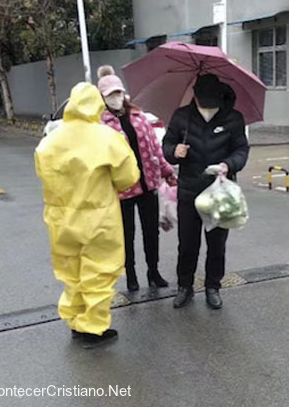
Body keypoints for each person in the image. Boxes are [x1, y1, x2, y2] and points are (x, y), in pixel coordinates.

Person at [34, 82, 140, 349]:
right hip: (98, 218)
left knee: (71, 271)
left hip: (60, 218)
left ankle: (75, 320)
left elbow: (42, 171)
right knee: (99, 272)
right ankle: (93, 328)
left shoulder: (51, 140)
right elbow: (128, 177)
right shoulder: (107, 137)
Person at [163, 73, 249, 309]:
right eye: (204, 100)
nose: (208, 104)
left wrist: (228, 165)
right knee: (187, 245)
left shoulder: (233, 118)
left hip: (220, 193)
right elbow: (167, 144)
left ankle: (213, 286)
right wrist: (174, 151)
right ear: (196, 96)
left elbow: (242, 150)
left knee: (216, 246)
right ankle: (184, 286)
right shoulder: (182, 117)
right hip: (189, 192)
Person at [97, 65, 177, 291]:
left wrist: (167, 171)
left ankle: (154, 272)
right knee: (126, 236)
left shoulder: (138, 116)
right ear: (103, 97)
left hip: (148, 185)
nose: (116, 98)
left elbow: (154, 149)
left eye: (119, 92)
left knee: (151, 233)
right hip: (121, 190)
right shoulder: (100, 124)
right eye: (111, 94)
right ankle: (131, 275)